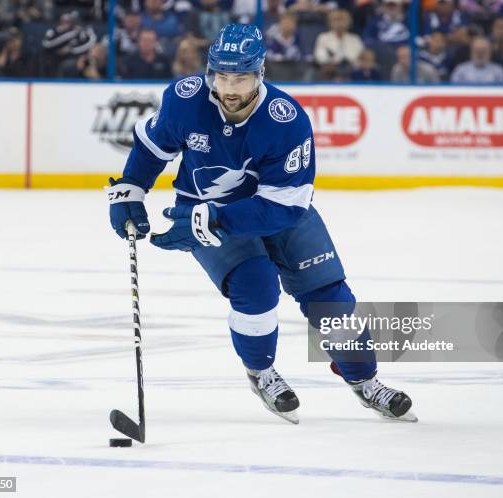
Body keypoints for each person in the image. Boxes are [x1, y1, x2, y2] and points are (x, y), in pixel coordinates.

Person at [106, 23, 416, 424]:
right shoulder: (185, 100)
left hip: (269, 213)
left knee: (330, 299)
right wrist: (131, 186)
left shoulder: (286, 120)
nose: (230, 87)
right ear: (210, 72)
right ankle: (262, 373)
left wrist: (213, 219)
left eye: (242, 77)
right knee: (256, 288)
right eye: (222, 75)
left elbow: (286, 205)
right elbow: (152, 145)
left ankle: (366, 382)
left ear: (260, 74)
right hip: (204, 207)